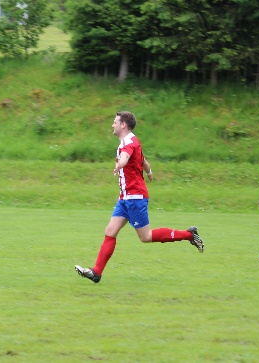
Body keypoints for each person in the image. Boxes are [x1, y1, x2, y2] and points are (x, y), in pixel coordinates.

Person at [75, 111, 204, 283]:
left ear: (123, 125)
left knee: (146, 237)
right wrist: (149, 172)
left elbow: (125, 157)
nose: (112, 125)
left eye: (115, 122)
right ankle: (96, 272)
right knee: (110, 232)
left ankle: (189, 235)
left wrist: (120, 164)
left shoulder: (128, 143)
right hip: (125, 198)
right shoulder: (132, 141)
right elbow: (143, 162)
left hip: (135, 197)